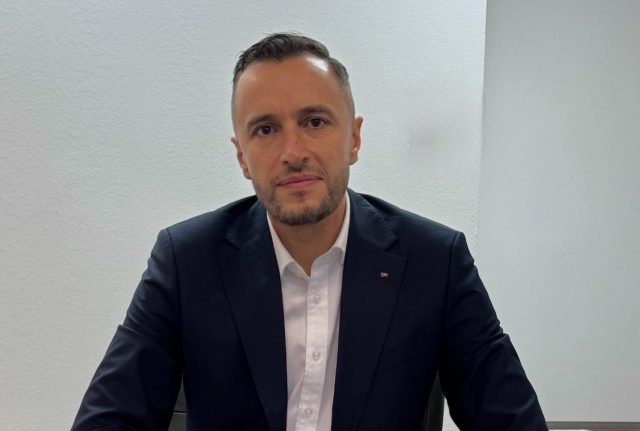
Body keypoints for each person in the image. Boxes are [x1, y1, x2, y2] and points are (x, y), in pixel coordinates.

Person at [72, 33, 547, 430]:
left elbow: (510, 420)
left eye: (314, 121)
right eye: (265, 130)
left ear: (354, 139)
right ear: (241, 157)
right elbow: (109, 419)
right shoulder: (186, 260)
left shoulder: (434, 261)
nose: (293, 152)